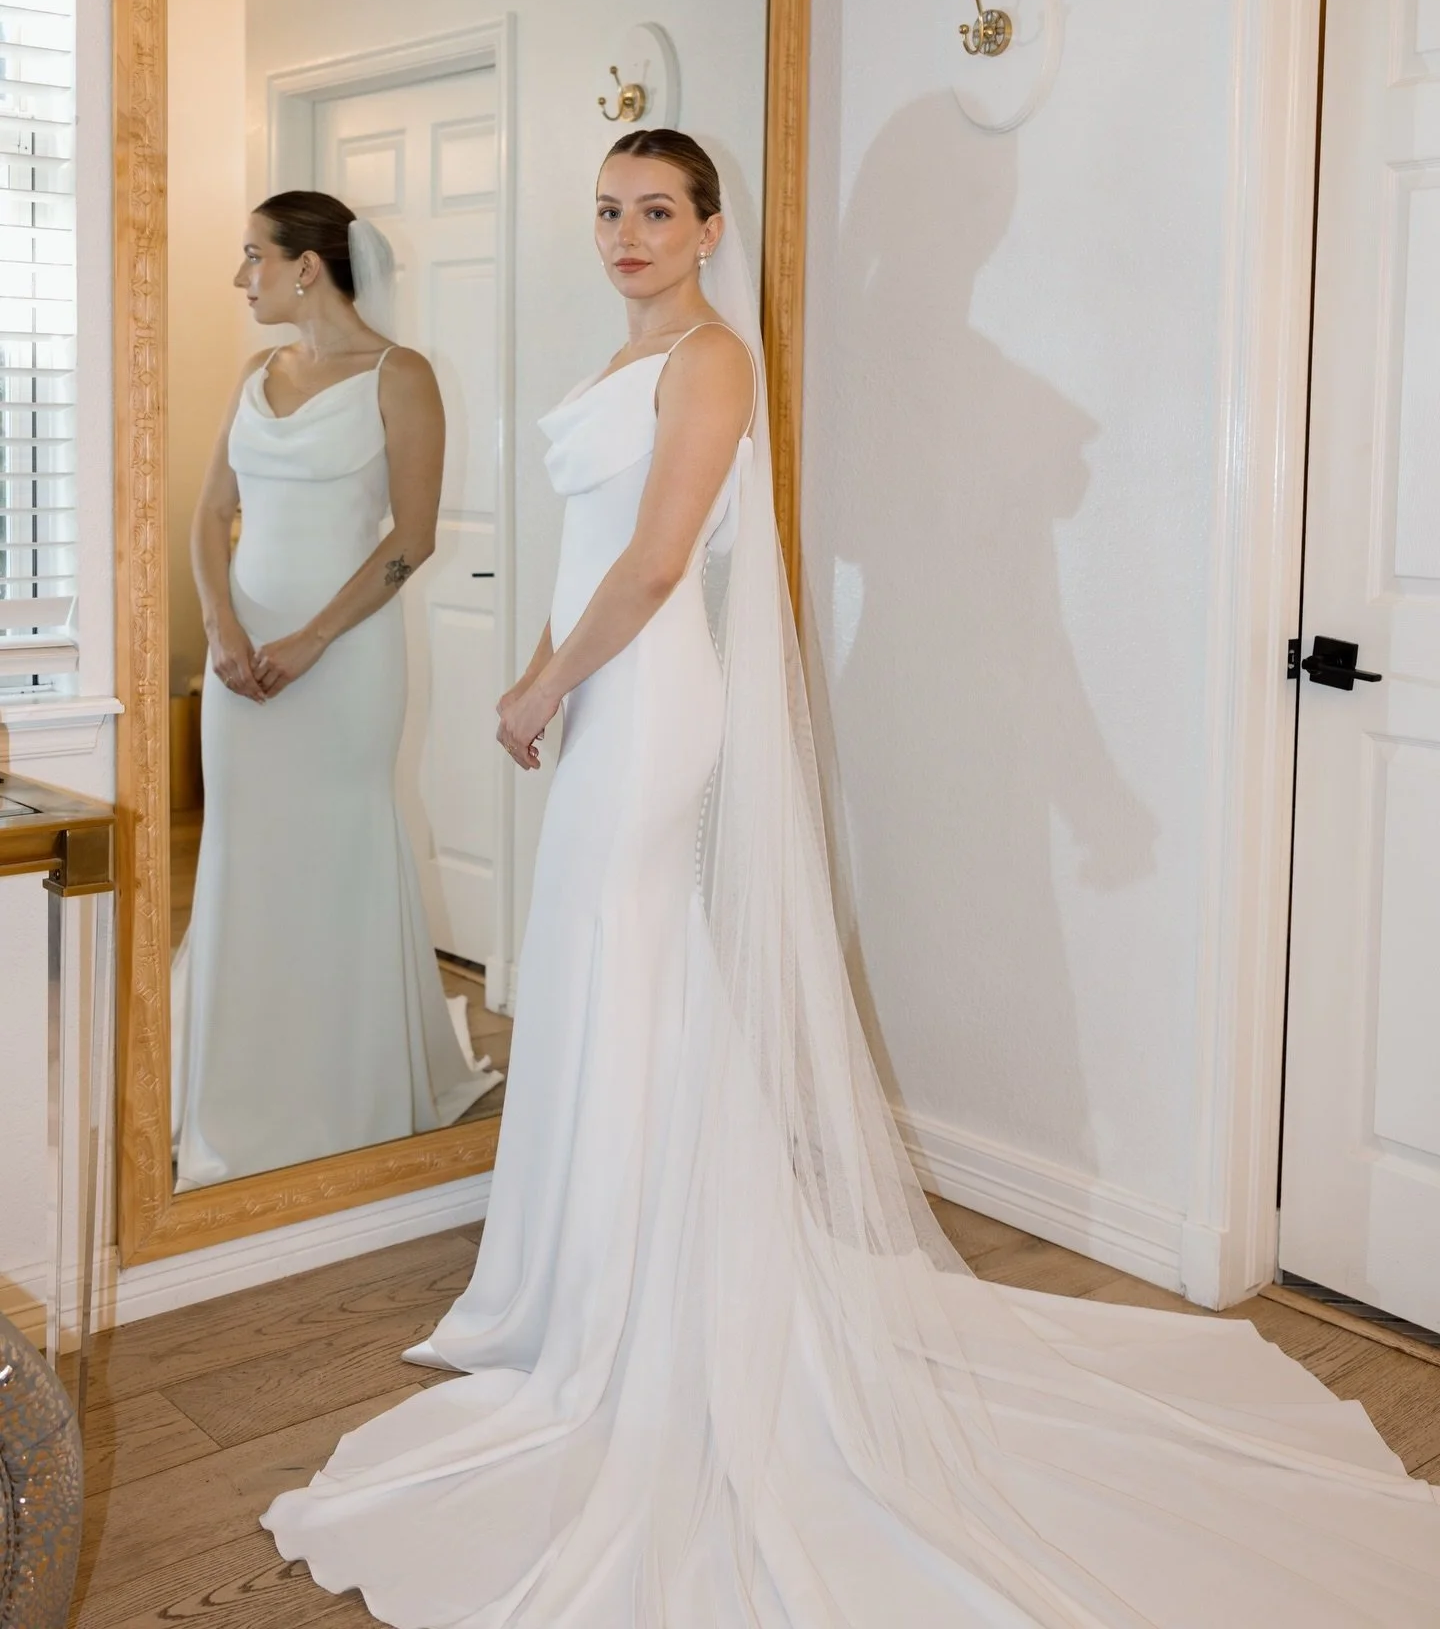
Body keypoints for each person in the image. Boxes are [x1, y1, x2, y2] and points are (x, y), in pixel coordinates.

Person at [262, 136, 1440, 1625]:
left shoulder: (712, 359)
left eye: (657, 214)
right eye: (609, 213)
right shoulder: (629, 348)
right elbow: (588, 553)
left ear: (707, 230)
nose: (627, 236)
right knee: (615, 975)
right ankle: (579, 1282)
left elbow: (655, 561)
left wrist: (540, 688)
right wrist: (545, 673)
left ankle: (635, 1306)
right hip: (596, 688)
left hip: (641, 694)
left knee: (621, 961)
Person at [171, 191, 499, 1192]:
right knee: (245, 848)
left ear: (308, 266)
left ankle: (347, 1084)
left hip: (345, 659)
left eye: (253, 257)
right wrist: (224, 632)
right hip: (243, 667)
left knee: (342, 845)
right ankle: (239, 1084)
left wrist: (311, 638)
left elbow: (413, 538)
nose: (242, 279)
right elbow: (208, 518)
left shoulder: (402, 378)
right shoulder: (251, 375)